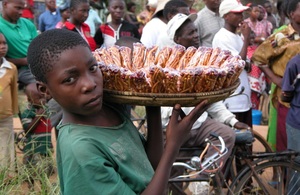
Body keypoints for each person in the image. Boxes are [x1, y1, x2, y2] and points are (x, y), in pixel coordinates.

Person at [27, 28, 209, 195]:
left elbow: (149, 169)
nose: (90, 84)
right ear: (45, 90)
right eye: (70, 79)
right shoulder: (80, 149)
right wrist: (172, 146)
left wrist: (153, 103)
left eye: (92, 68)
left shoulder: (110, 109)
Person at [159, 13, 249, 195]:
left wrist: (231, 121)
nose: (196, 35)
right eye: (190, 33)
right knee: (172, 173)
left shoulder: (203, 64)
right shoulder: (165, 67)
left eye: (196, 31)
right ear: (177, 39)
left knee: (227, 135)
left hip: (201, 125)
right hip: (175, 127)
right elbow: (160, 106)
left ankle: (202, 182)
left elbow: (211, 100)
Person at [252, 0, 300, 152]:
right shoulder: (281, 36)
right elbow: (259, 58)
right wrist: (275, 79)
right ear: (291, 14)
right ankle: (285, 175)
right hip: (288, 99)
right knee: (287, 144)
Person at [212, 0, 252, 127]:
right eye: (237, 13)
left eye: (242, 13)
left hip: (243, 96)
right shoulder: (221, 37)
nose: (241, 17)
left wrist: (245, 63)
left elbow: (248, 65)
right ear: (226, 16)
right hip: (232, 99)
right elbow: (238, 63)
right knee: (236, 138)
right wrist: (246, 39)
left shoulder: (237, 36)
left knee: (247, 138)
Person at [20, 84, 53, 189]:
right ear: (29, 99)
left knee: (46, 171)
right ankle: (31, 189)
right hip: (34, 149)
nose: (42, 100)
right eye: (38, 98)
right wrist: (38, 116)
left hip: (46, 148)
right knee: (31, 171)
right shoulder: (28, 112)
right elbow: (27, 129)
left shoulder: (49, 109)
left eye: (43, 97)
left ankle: (44, 189)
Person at [0, 0, 38, 90]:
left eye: (23, 9)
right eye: (18, 8)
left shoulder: (27, 23)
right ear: (5, 4)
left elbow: (38, 45)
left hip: (37, 63)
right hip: (21, 69)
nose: (21, 12)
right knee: (46, 82)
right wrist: (22, 61)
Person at [281, 54, 300, 194]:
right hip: (296, 124)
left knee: (296, 168)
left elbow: (286, 95)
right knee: (296, 168)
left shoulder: (294, 63)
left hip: (296, 120)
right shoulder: (295, 63)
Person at [0, 33, 18, 180]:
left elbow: (13, 92)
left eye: (4, 43)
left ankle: (6, 175)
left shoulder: (10, 68)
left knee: (6, 146)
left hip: (5, 116)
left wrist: (14, 111)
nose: (2, 47)